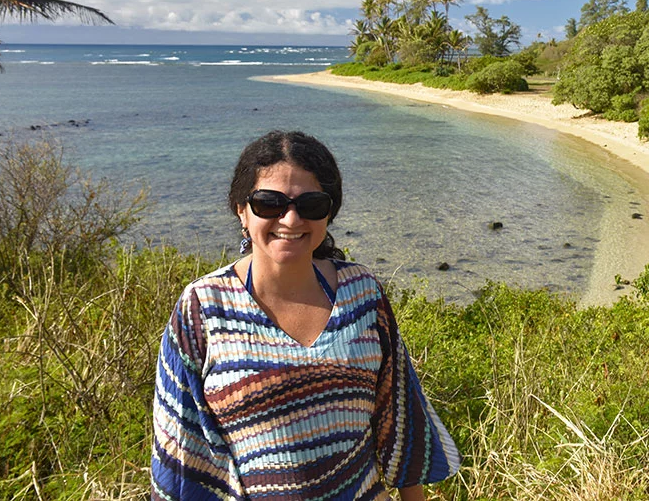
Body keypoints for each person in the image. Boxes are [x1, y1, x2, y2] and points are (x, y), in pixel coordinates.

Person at [151, 130, 460, 500]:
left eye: (310, 205)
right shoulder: (202, 307)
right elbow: (180, 452)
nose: (291, 219)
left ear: (329, 213)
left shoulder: (363, 293)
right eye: (269, 203)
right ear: (241, 210)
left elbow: (401, 420)